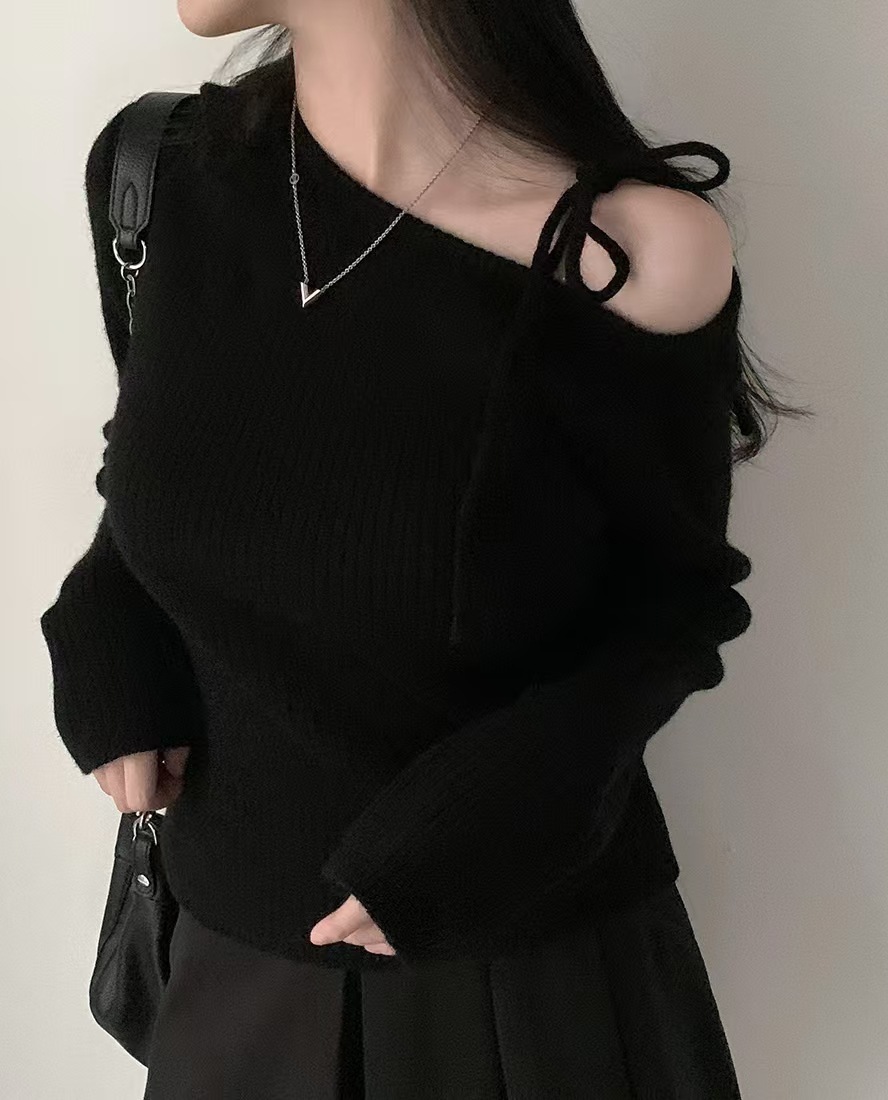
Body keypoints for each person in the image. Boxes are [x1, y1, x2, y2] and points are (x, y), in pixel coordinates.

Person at [40, 1, 806, 1095]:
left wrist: (509, 805)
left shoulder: (622, 253)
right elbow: (170, 465)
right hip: (226, 970)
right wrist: (105, 623)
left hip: (515, 991)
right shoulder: (163, 174)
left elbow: (676, 602)